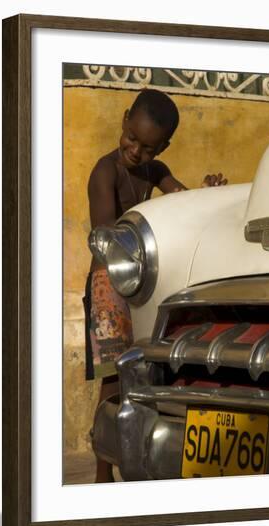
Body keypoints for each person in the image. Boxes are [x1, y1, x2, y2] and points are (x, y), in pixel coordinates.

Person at [85, 89, 226, 482]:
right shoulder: (105, 172)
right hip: (109, 285)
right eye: (132, 139)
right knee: (113, 377)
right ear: (125, 119)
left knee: (140, 368)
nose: (135, 151)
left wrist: (205, 191)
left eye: (147, 148)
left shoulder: (155, 170)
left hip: (140, 283)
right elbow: (107, 235)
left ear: (163, 146)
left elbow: (180, 199)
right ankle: (101, 469)